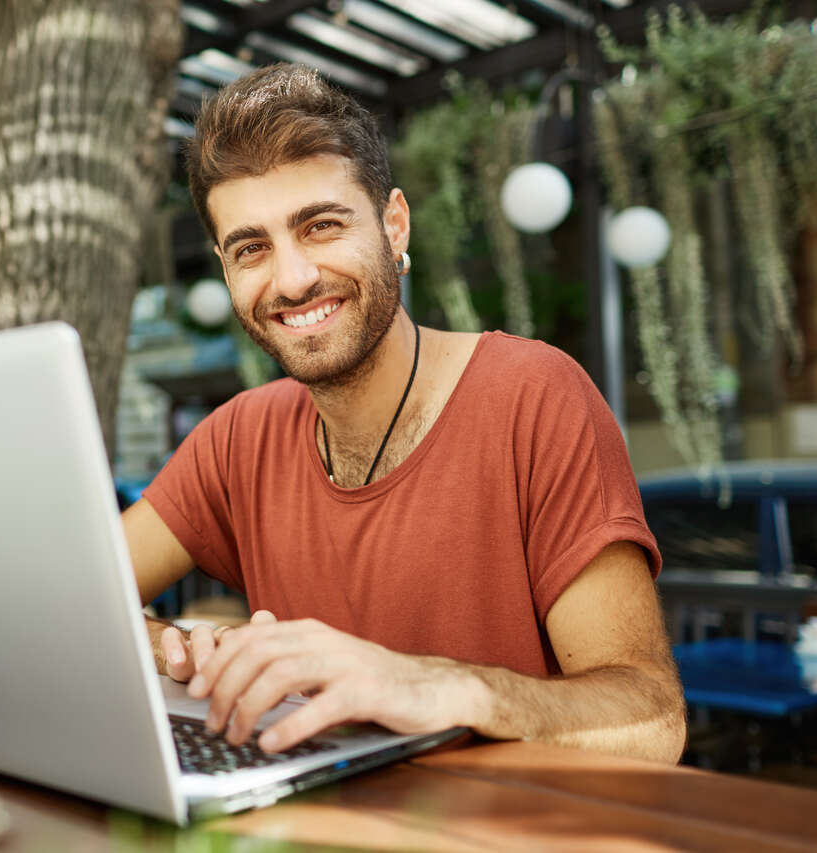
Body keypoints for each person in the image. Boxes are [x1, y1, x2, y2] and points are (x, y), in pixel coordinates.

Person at [121, 63, 686, 764]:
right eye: (252, 248)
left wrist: (439, 686)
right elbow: (72, 599)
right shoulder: (238, 435)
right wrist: (173, 645)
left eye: (321, 225)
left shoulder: (534, 395)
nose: (292, 278)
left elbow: (654, 718)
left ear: (394, 226)